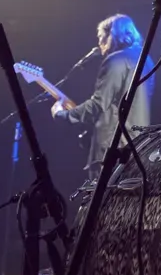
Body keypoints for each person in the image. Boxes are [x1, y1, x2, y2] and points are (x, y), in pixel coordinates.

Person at [52, 14, 155, 177]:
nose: (99, 43)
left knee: (103, 199)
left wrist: (63, 115)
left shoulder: (115, 60)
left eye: (101, 37)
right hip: (139, 144)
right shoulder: (145, 59)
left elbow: (98, 104)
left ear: (113, 35)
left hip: (112, 149)